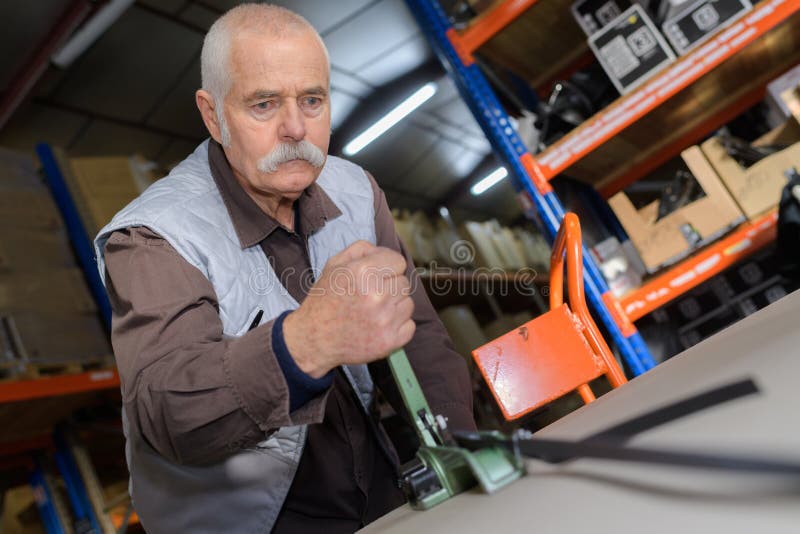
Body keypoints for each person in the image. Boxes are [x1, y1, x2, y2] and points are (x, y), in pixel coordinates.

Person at [93, 4, 475, 533]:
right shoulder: (156, 236)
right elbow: (167, 412)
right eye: (264, 104)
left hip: (377, 489)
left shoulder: (356, 190)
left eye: (312, 100)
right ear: (212, 114)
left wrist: (458, 451)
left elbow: (420, 336)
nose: (295, 128)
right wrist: (305, 345)